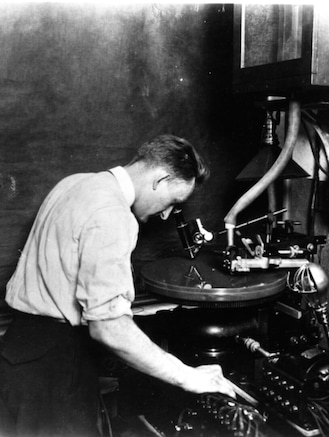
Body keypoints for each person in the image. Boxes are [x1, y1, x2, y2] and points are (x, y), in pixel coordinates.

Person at [0, 134, 235, 437]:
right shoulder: (113, 215)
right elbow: (107, 327)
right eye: (173, 201)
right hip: (55, 368)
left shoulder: (75, 183)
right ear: (160, 179)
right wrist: (187, 376)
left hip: (18, 352)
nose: (165, 214)